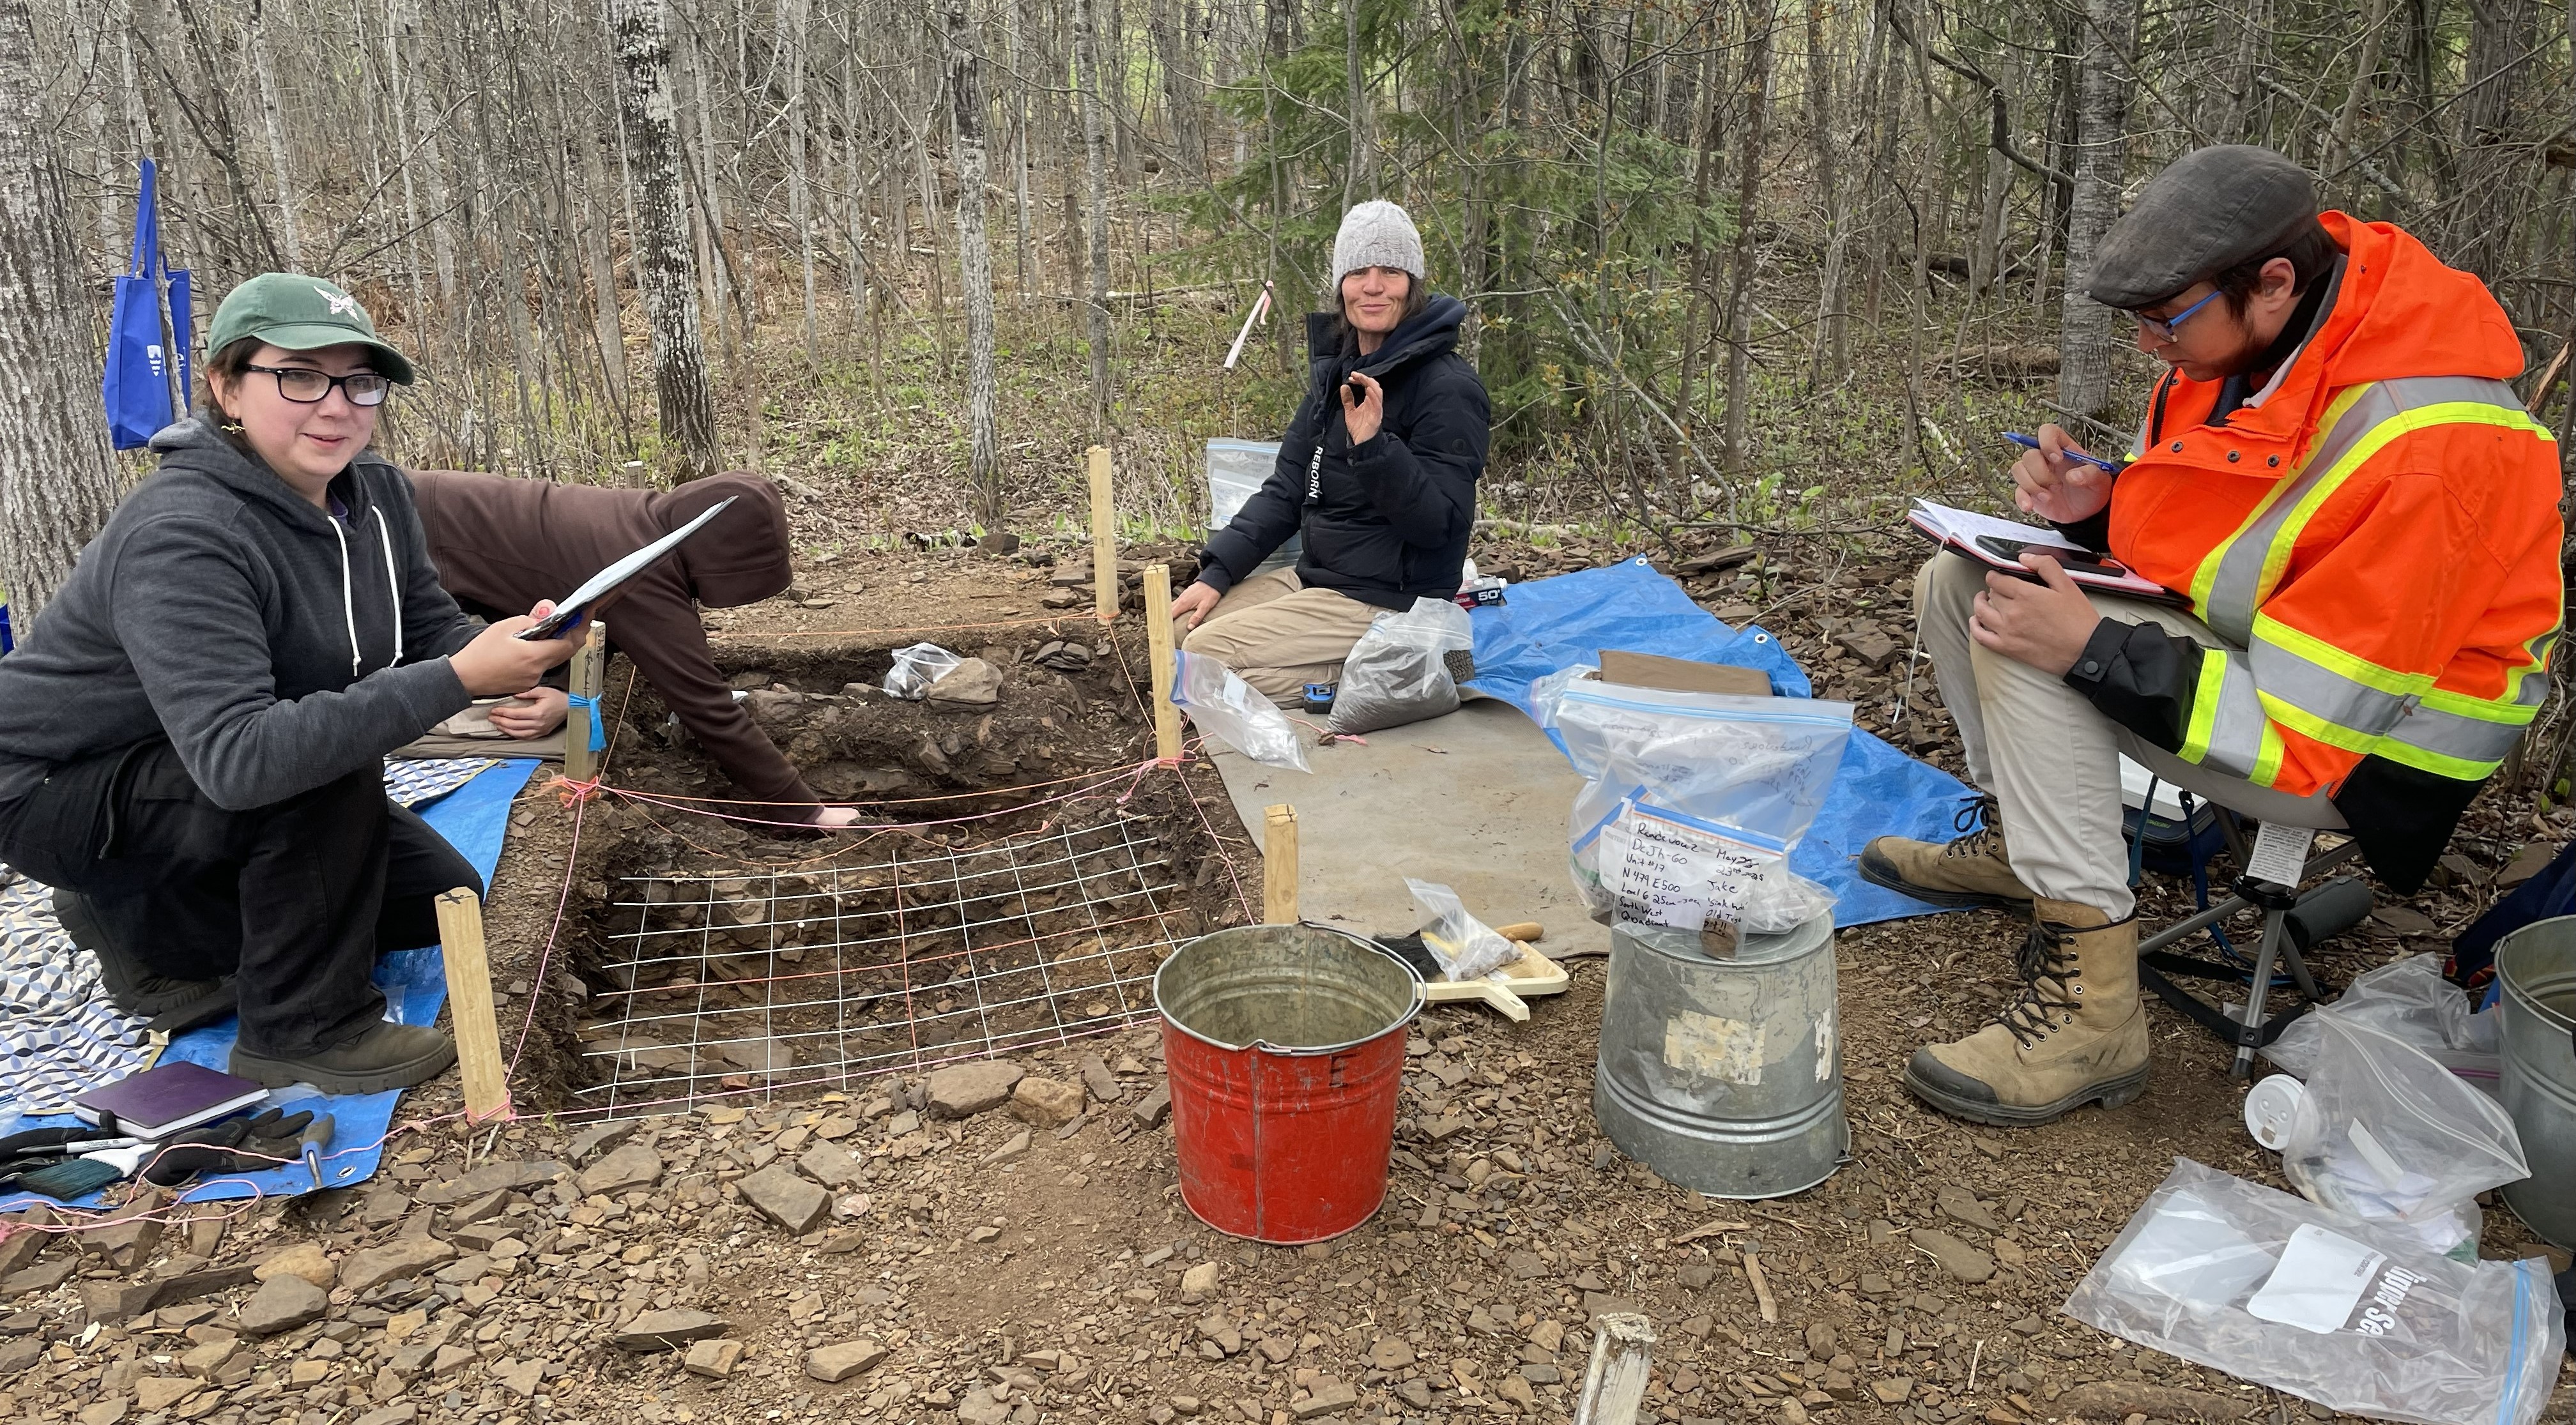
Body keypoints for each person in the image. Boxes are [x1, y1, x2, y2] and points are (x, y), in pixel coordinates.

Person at [1859, 145, 2563, 1127]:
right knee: (1960, 578)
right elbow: (2239, 548)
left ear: (2274, 281)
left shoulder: (2432, 444)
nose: (2150, 346)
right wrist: (2098, 511)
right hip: (2276, 673)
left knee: (2027, 633)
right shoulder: (2266, 349)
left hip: (2369, 754)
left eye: (2164, 320)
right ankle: (2032, 848)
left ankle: (2092, 1010)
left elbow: (2308, 725)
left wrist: (2090, 649)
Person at [0, 274, 579, 1093]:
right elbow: (245, 759)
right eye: (299, 376)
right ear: (226, 386)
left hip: (187, 761)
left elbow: (427, 624)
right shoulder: (185, 533)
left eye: (360, 381)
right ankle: (301, 1030)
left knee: (433, 899)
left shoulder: (375, 496)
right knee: (319, 759)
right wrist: (454, 679)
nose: (336, 406)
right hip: (53, 788)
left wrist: (511, 667)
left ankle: (141, 923)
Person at [1169, 200, 1491, 701]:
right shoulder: (1336, 375)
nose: (1374, 285)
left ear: (1413, 284)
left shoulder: (1448, 387)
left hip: (1392, 600)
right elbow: (1285, 490)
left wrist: (1375, 447)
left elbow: (1440, 526)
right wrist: (1219, 571)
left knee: (1204, 661)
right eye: (1359, 270)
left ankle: (1401, 668)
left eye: (1391, 271)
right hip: (1319, 582)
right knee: (1180, 629)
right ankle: (1369, 669)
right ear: (1342, 285)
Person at [410, 469, 859, 827]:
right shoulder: (645, 572)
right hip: (411, 530)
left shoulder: (642, 521)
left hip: (430, 513)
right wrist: (806, 810)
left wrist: (569, 697)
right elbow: (707, 707)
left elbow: (592, 615)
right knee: (424, 692)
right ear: (727, 560)